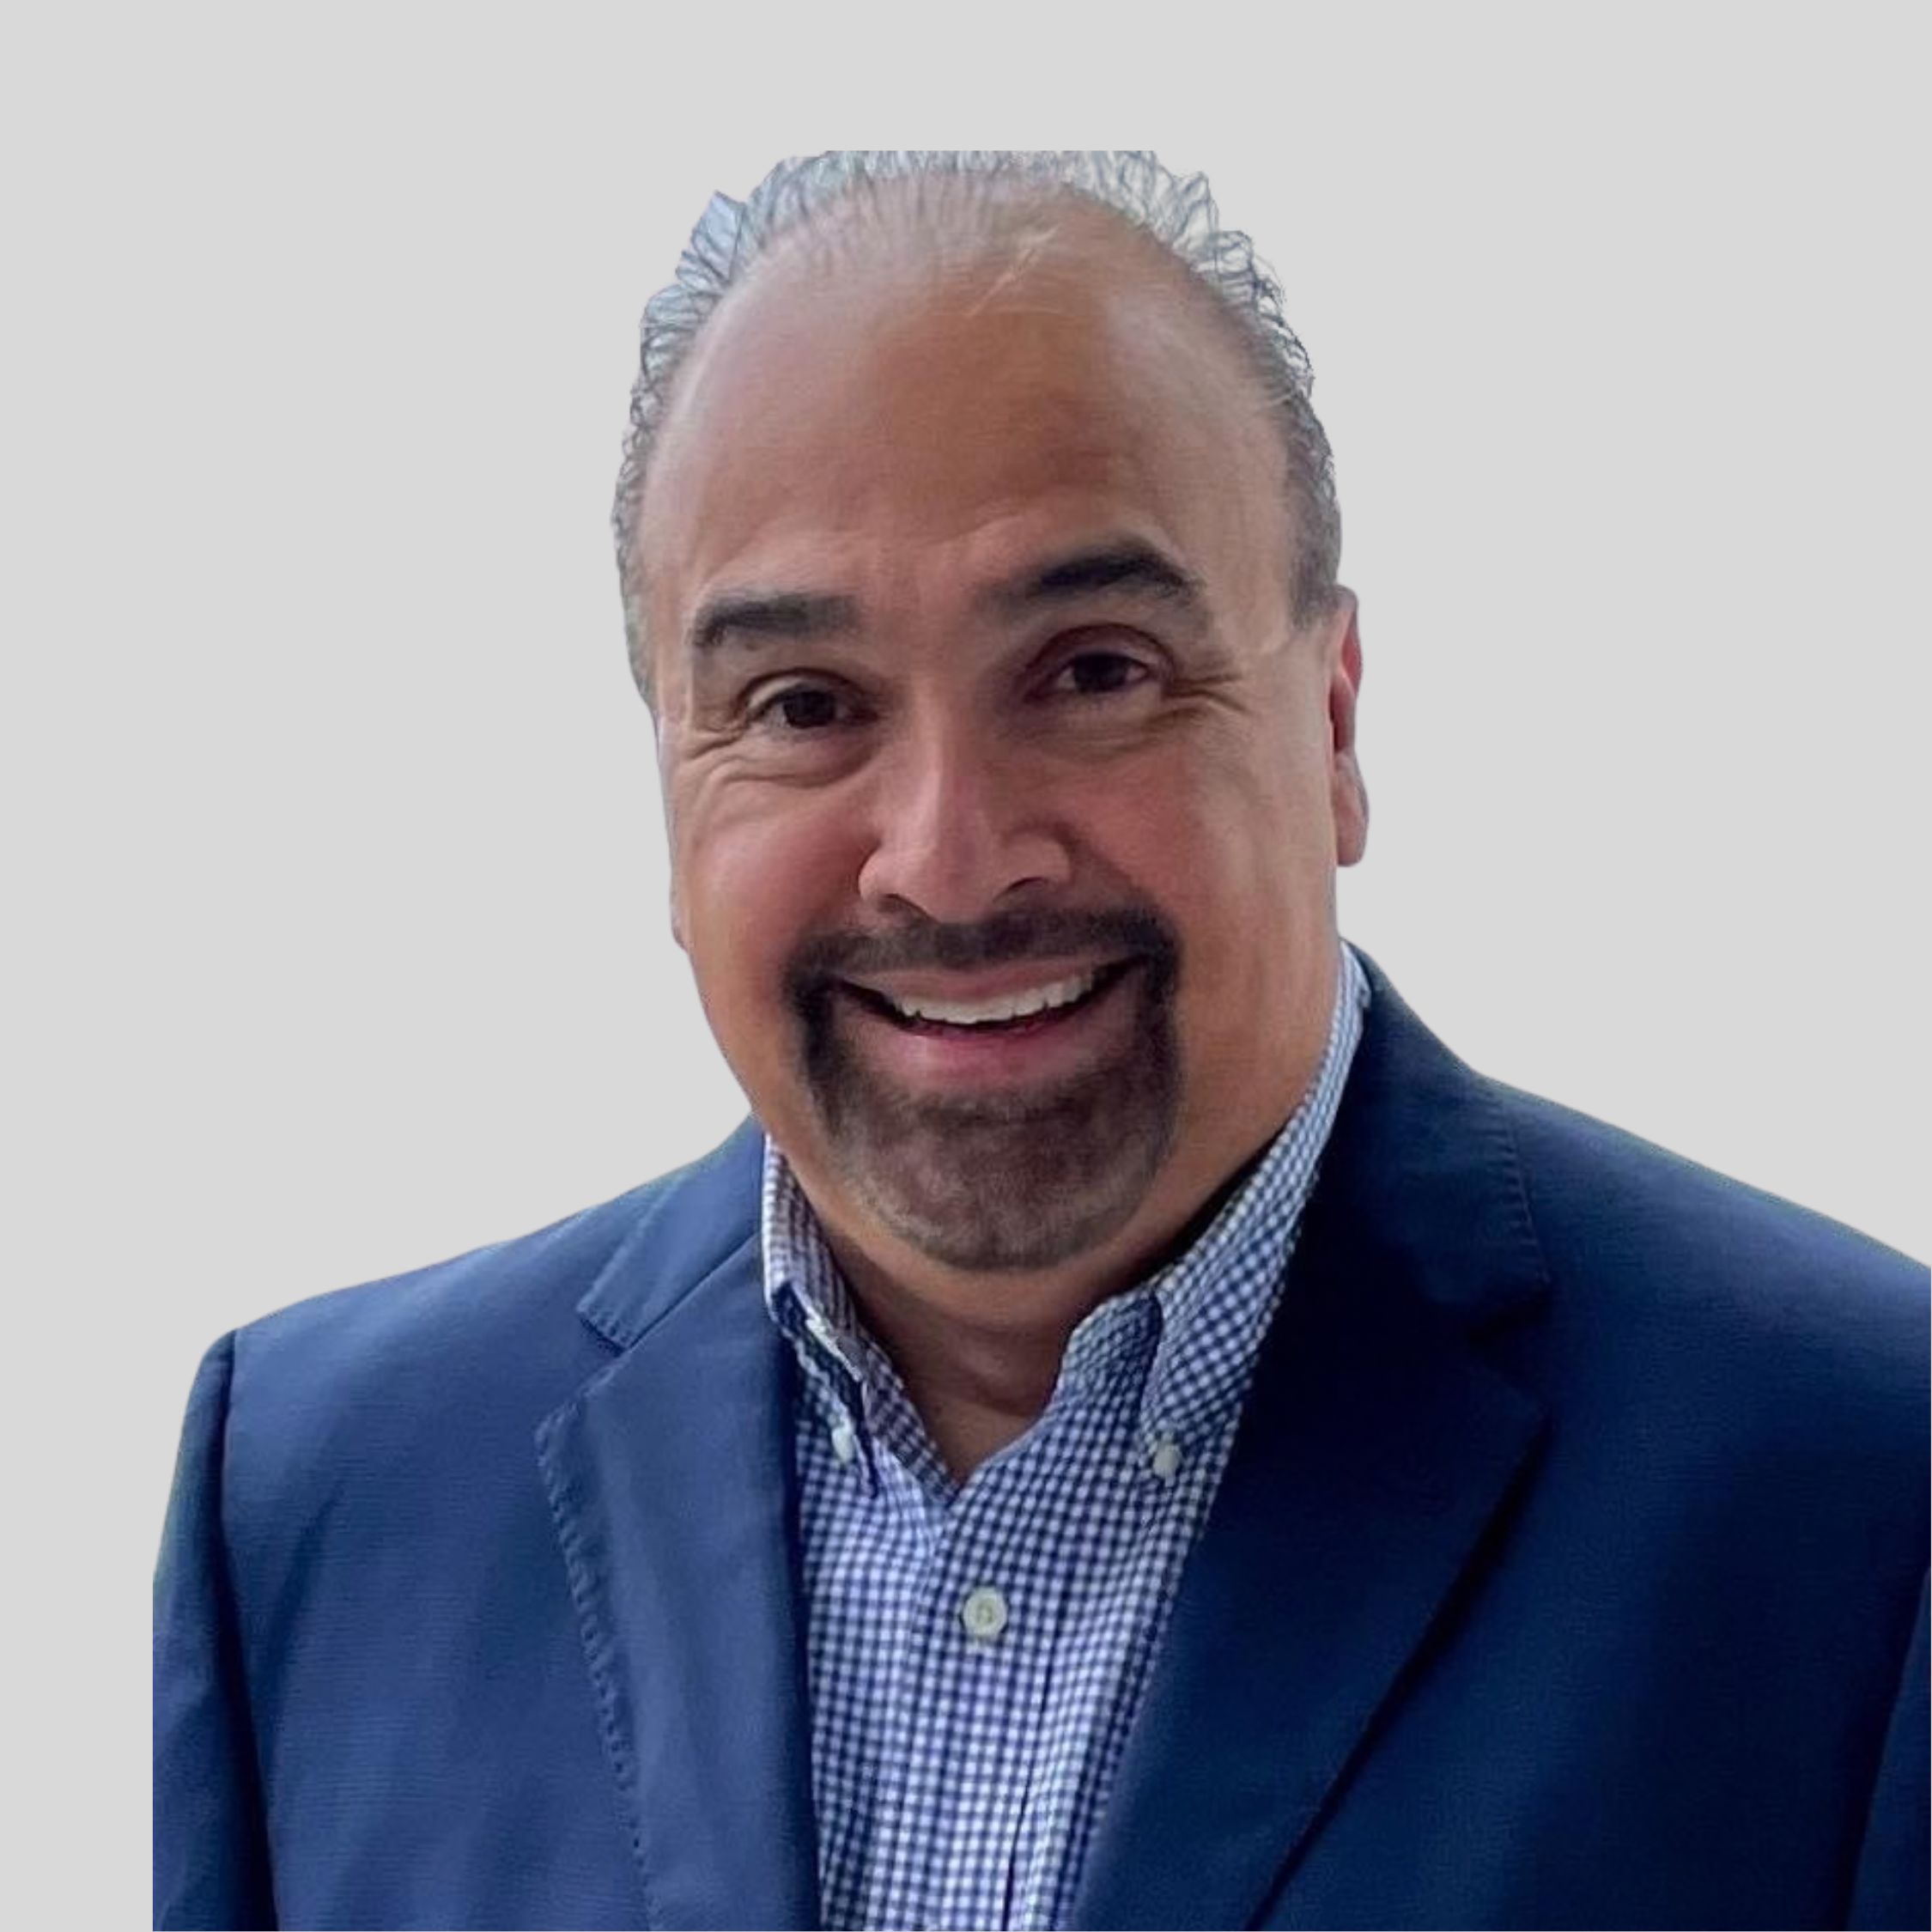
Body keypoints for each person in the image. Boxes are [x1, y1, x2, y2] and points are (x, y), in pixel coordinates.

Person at [153, 151, 1928, 1932]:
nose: (948, 856)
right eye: (803, 706)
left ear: (1330, 727)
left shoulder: (1866, 1499)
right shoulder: (315, 1499)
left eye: (1093, 672)